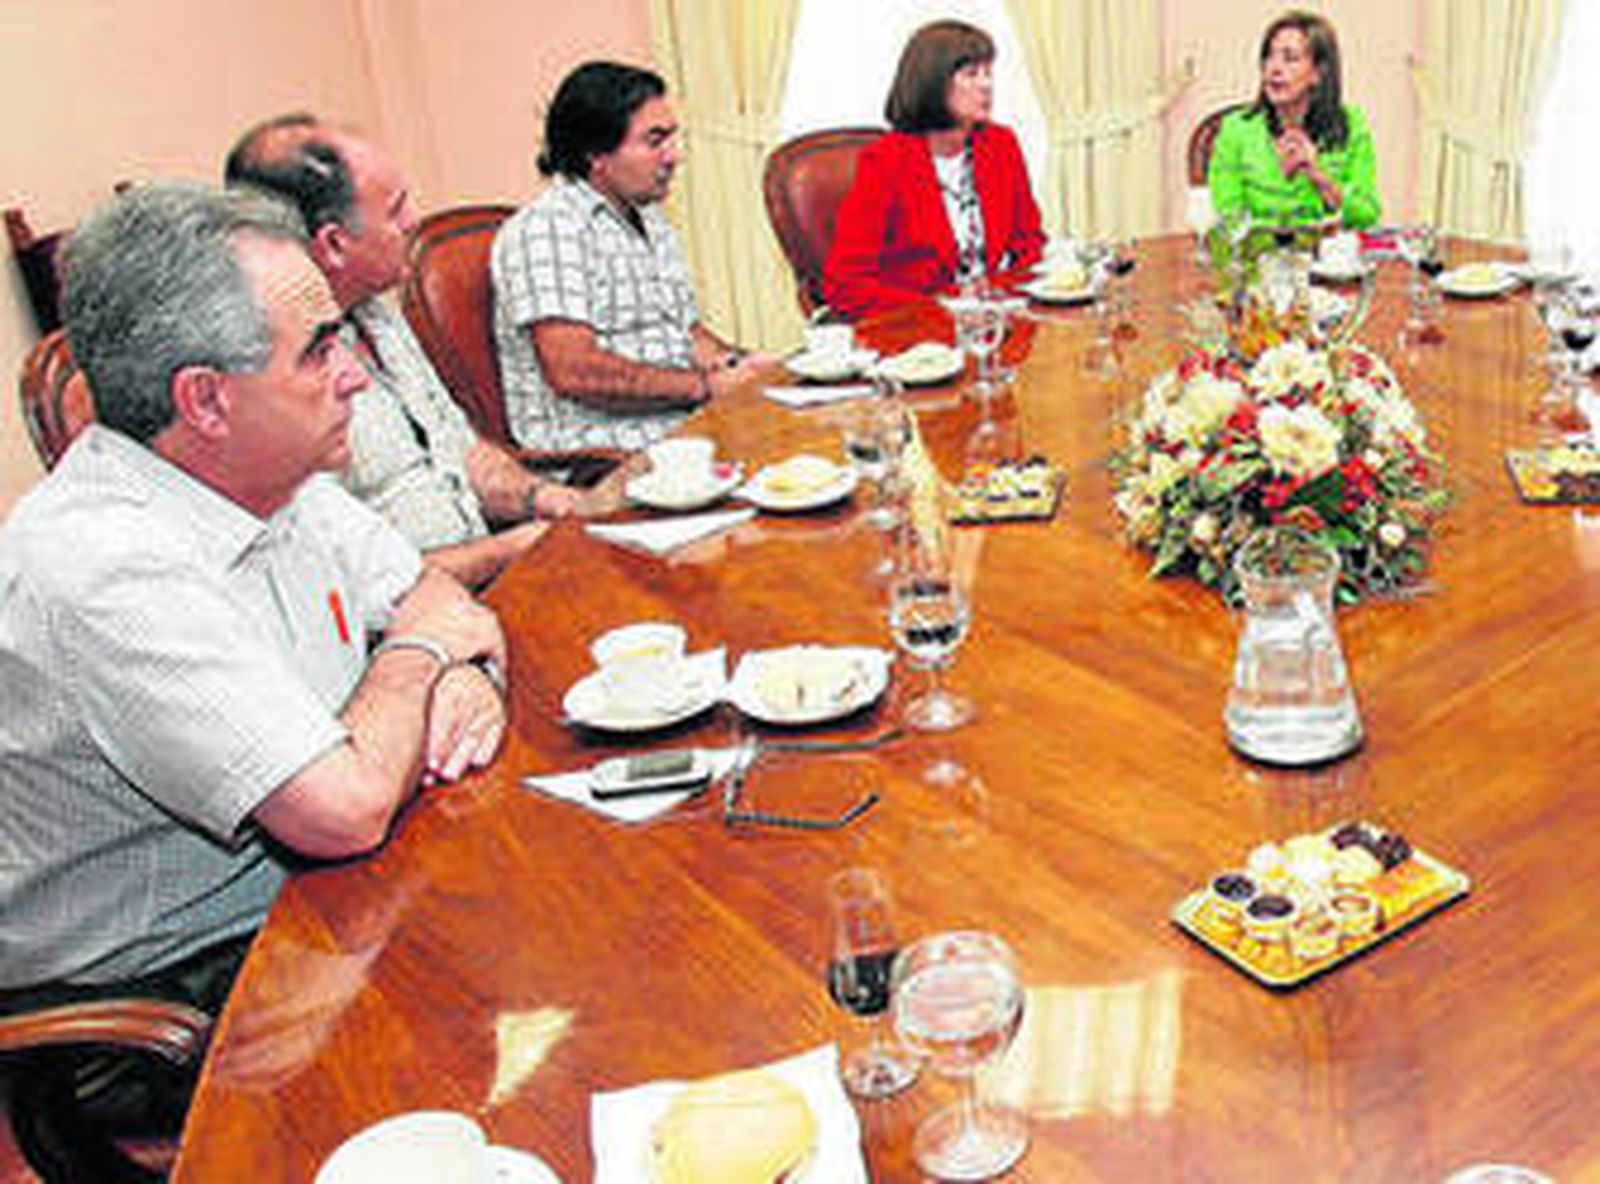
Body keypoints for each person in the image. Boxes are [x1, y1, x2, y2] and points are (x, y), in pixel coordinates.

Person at [0, 183, 506, 1172]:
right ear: (205, 398)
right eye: (318, 348)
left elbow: (449, 604)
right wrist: (421, 659)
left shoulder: (269, 471)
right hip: (160, 994)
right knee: (518, 1029)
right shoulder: (102, 564)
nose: (355, 374)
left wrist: (454, 664)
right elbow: (345, 804)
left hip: (316, 897)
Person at [225, 113, 593, 588]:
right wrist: (508, 549)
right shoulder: (273, 378)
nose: (413, 223)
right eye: (396, 211)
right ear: (335, 244)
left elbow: (462, 451)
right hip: (415, 629)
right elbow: (342, 584)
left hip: (494, 580)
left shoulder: (377, 308)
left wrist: (542, 498)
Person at [491, 61, 767, 454]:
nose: (675, 156)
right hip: (606, 453)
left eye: (673, 137)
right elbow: (574, 370)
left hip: (684, 425)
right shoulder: (548, 228)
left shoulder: (649, 217)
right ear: (595, 154)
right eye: (655, 141)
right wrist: (704, 387)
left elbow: (686, 333)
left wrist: (746, 366)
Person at [824, 20, 1044, 320]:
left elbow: (1029, 242)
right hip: (919, 336)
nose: (986, 85)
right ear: (933, 82)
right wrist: (941, 311)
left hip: (993, 322)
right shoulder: (885, 161)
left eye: (988, 73)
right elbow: (844, 284)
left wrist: (1018, 295)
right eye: (971, 74)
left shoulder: (1001, 144)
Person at [1207, 10, 1381, 229]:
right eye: (1269, 56)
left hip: (1326, 256)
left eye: (1290, 59)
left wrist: (1318, 175)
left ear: (1318, 72)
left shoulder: (1351, 125)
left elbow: (1367, 216)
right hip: (1259, 255)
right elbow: (1229, 215)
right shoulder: (1236, 128)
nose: (1274, 69)